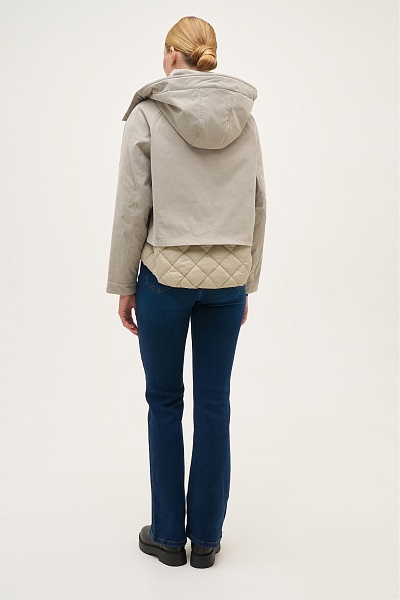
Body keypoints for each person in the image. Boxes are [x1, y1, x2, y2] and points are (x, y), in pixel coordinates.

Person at [106, 16, 267, 568]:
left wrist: (123, 284)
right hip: (227, 281)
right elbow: (258, 202)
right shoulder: (244, 117)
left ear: (173, 55)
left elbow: (132, 206)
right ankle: (209, 538)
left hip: (164, 280)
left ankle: (169, 537)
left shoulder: (149, 113)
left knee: (164, 401)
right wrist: (245, 280)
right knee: (215, 403)